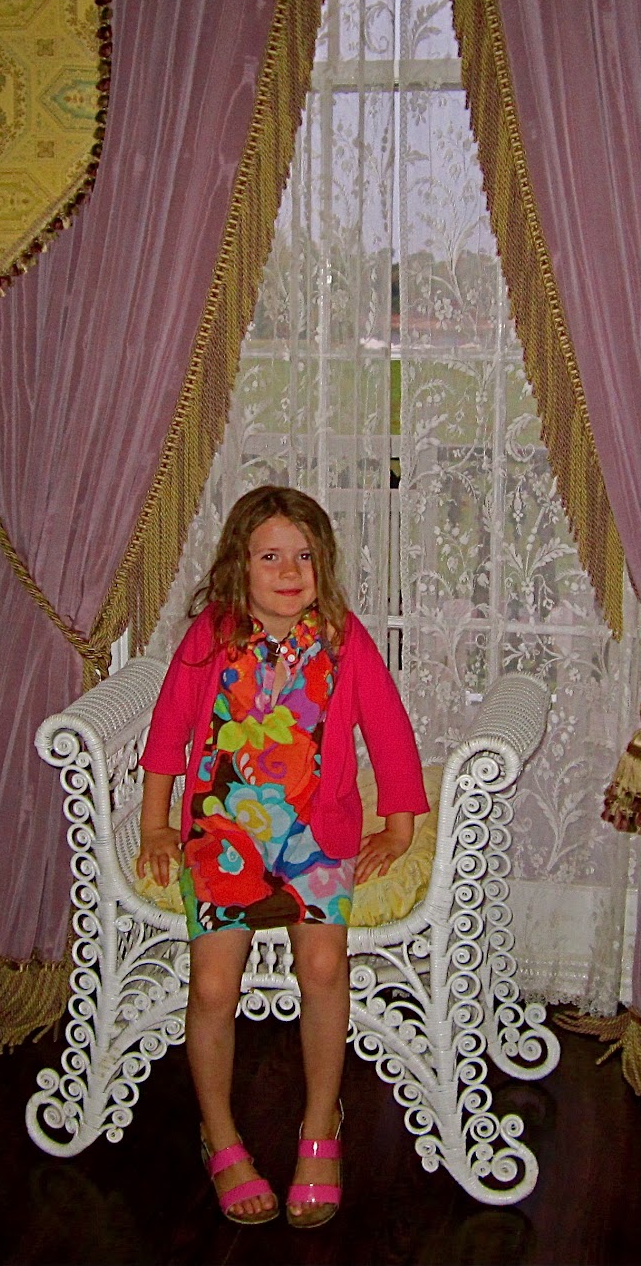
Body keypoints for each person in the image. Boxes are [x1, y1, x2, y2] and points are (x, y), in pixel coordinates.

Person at [135, 485, 425, 1229]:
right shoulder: (209, 638)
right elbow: (168, 734)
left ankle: (321, 1123)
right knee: (211, 986)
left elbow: (388, 729)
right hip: (223, 834)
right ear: (240, 564)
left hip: (315, 835)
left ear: (323, 565)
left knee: (324, 967)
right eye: (270, 557)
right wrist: (155, 826)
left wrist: (398, 826)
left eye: (304, 556)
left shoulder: (343, 639)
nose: (290, 572)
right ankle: (221, 1134)